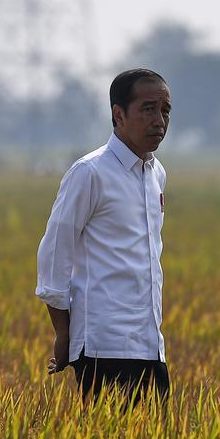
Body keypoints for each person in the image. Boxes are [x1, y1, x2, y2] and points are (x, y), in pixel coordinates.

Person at [36, 68, 172, 404]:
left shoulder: (157, 174)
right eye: (148, 109)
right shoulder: (90, 172)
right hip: (103, 343)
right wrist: (63, 332)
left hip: (150, 344)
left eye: (165, 110)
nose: (159, 120)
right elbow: (55, 251)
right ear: (118, 114)